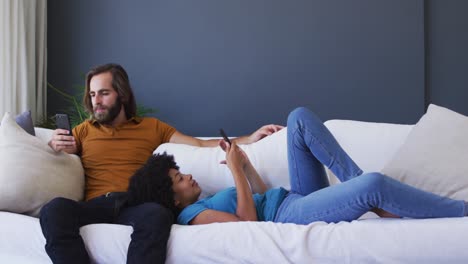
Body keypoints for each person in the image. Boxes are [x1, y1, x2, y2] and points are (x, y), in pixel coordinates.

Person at [39, 63, 283, 264]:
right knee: (54, 209)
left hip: (134, 204)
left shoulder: (152, 127)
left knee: (157, 213)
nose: (96, 101)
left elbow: (198, 144)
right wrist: (54, 144)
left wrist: (249, 139)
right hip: (97, 204)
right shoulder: (83, 131)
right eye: (92, 95)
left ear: (122, 94)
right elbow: (55, 151)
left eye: (103, 93)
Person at [130, 107, 468, 227]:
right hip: (289, 215)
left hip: (291, 197)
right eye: (179, 179)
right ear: (172, 198)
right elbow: (249, 223)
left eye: (181, 172)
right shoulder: (192, 216)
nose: (188, 176)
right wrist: (235, 172)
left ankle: (357, 182)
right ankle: (462, 210)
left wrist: (245, 167)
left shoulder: (202, 202)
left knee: (299, 119)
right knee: (374, 185)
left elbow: (261, 197)